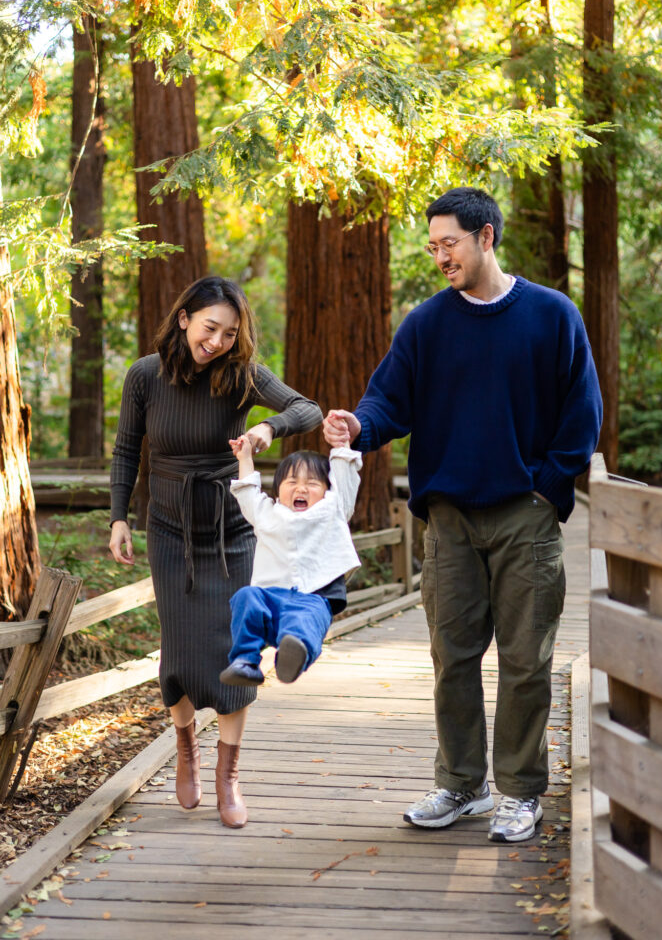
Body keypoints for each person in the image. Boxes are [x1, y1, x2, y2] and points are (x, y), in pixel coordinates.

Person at [323, 187, 602, 843]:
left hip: (524, 519)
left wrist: (547, 488)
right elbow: (389, 400)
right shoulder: (428, 324)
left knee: (527, 662)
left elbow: (580, 414)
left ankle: (521, 793)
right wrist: (358, 425)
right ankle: (462, 785)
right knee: (453, 658)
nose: (440, 257)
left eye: (449, 243)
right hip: (446, 519)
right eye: (433, 246)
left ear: (486, 237)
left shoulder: (552, 315)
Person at [109, 275, 322, 829]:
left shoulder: (241, 376)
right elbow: (128, 448)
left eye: (230, 332)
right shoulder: (145, 376)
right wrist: (118, 518)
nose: (219, 341)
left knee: (237, 651)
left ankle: (229, 776)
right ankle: (186, 751)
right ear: (184, 319)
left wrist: (266, 431)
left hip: (232, 531)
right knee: (177, 653)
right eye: (210, 328)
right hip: (168, 529)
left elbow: (308, 409)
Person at [219, 435, 362, 686]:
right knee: (245, 596)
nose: (301, 488)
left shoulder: (333, 508)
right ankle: (245, 661)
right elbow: (247, 490)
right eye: (292, 482)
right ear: (278, 489)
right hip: (270, 597)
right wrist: (245, 457)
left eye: (313, 483)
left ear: (327, 489)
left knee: (302, 620)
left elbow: (345, 478)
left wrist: (341, 445)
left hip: (314, 596)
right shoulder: (266, 513)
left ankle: (292, 655)